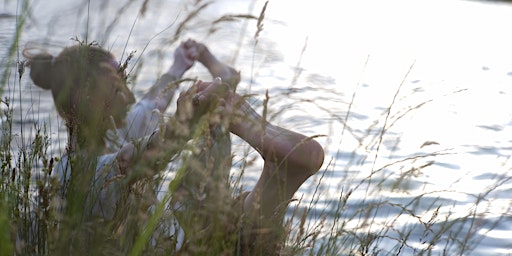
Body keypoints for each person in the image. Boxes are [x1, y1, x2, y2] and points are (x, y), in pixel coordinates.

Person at [24, 39, 324, 255]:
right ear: (83, 97)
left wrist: (188, 63)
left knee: (209, 122)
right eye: (117, 87)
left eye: (125, 82)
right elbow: (131, 162)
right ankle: (275, 181)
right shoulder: (71, 173)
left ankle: (276, 174)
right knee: (231, 229)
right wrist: (184, 123)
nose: (128, 96)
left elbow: (156, 97)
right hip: (171, 249)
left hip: (180, 236)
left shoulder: (120, 127)